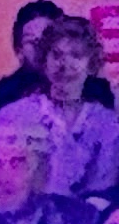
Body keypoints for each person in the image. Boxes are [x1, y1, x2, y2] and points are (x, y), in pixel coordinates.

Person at [10, 17, 119, 207]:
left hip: (88, 217)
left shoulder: (106, 123)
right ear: (44, 60)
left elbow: (103, 187)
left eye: (76, 56)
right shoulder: (16, 114)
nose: (64, 65)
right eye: (56, 55)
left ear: (90, 64)